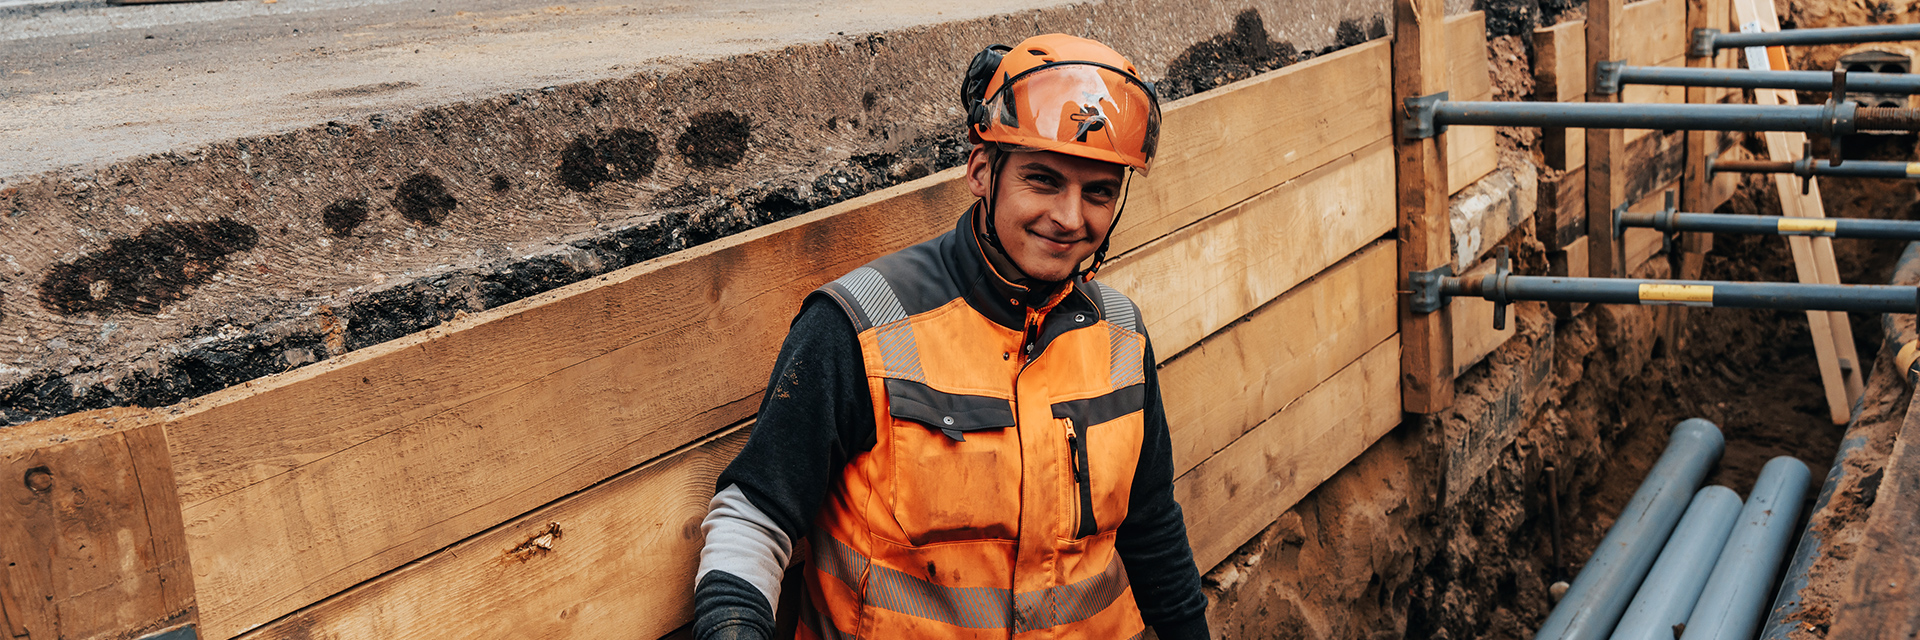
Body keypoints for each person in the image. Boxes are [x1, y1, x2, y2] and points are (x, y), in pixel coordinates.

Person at [691, 33, 1209, 640]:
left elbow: (1150, 527)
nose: (1071, 218)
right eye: (1043, 180)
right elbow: (753, 517)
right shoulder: (860, 328)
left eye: (1099, 191)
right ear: (981, 171)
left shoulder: (1122, 335)